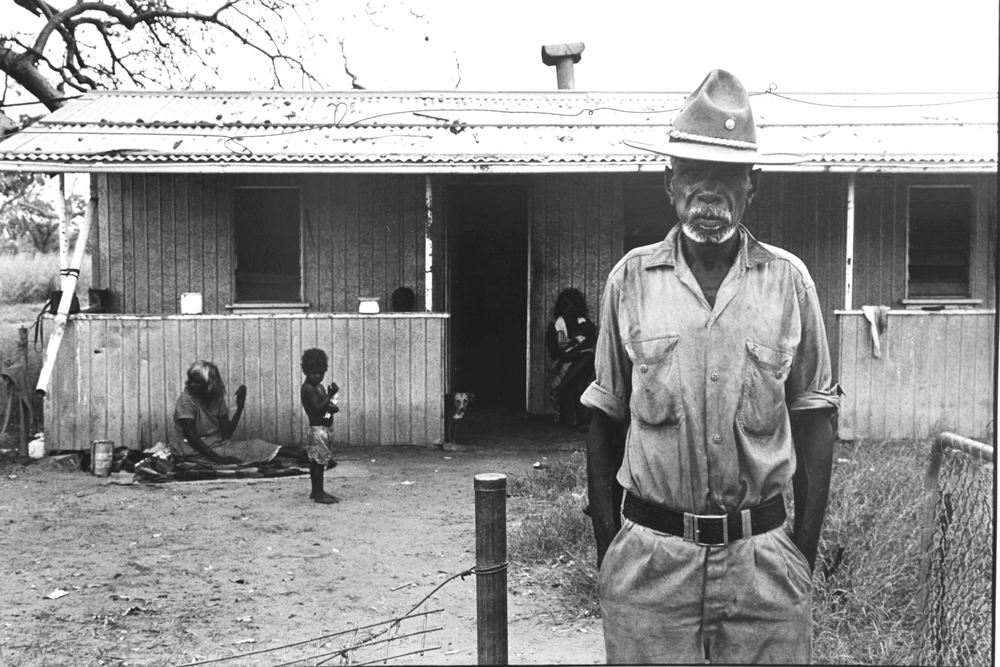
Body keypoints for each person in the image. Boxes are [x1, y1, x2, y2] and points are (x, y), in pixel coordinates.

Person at [582, 69, 840, 664]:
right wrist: (610, 551)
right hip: (651, 567)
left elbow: (815, 423)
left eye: (726, 175)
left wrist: (798, 556)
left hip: (763, 566)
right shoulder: (629, 282)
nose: (708, 191)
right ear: (668, 180)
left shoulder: (788, 284)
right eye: (693, 172)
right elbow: (603, 421)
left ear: (753, 185)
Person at [171, 360, 284, 465]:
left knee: (256, 445)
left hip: (216, 444)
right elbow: (191, 436)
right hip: (192, 449)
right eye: (191, 380)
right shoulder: (186, 399)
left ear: (209, 384)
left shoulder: (216, 396)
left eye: (198, 382)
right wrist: (220, 460)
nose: (192, 385)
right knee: (242, 455)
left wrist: (240, 407)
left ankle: (299, 454)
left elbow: (226, 433)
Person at [545, 288, 597, 429]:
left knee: (587, 356)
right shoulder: (555, 326)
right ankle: (583, 421)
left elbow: (590, 342)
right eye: (562, 304)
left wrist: (574, 349)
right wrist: (572, 350)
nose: (564, 308)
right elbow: (555, 352)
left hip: (584, 363)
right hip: (566, 365)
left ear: (576, 305)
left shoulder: (585, 324)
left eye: (568, 304)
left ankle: (559, 390)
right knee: (580, 377)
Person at [299, 348, 341, 504]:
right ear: (306, 371)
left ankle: (316, 491)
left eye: (320, 373)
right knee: (319, 462)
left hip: (324, 428)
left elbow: (325, 409)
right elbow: (317, 409)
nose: (317, 376)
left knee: (317, 461)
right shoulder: (308, 388)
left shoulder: (320, 387)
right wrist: (330, 396)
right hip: (317, 430)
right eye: (314, 373)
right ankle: (319, 493)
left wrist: (332, 407)